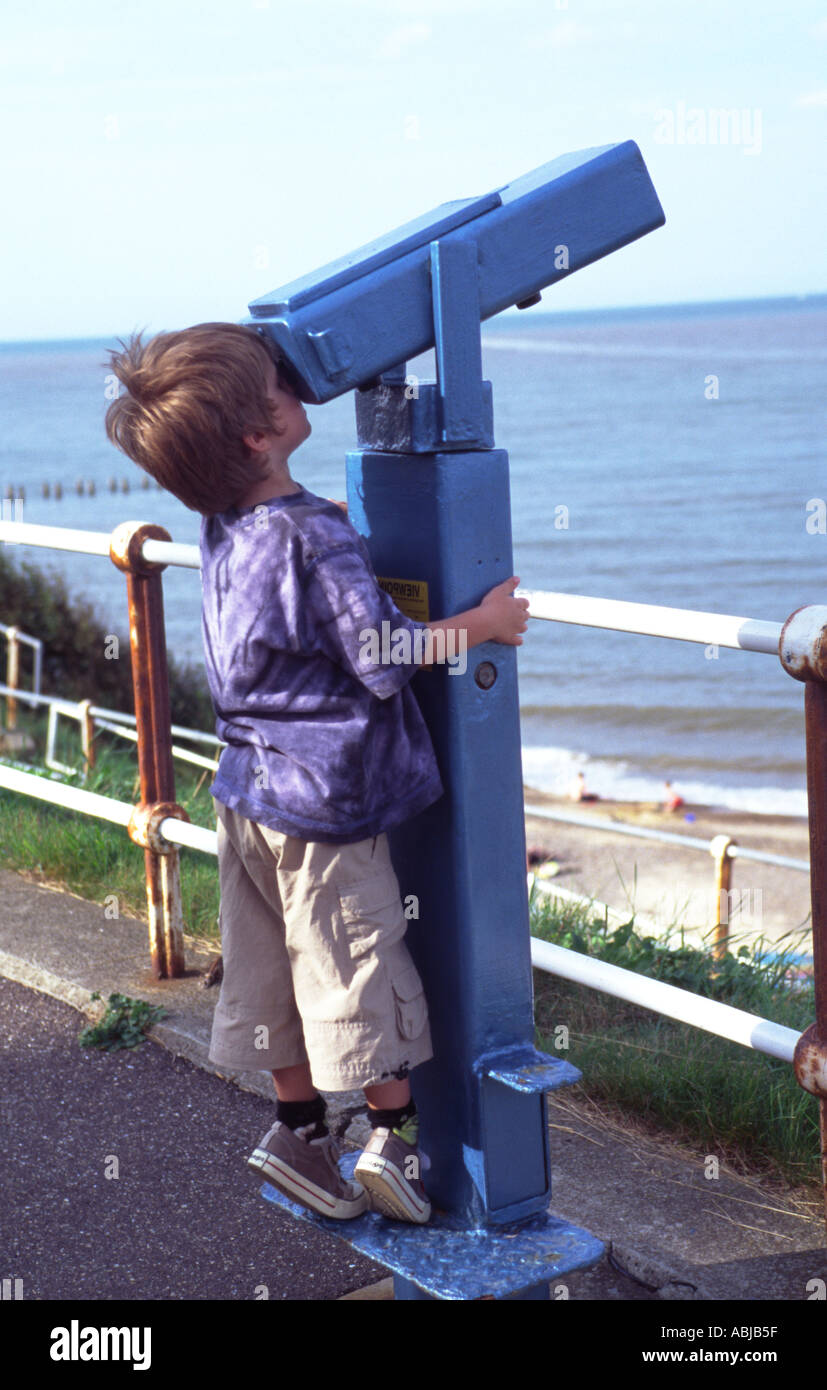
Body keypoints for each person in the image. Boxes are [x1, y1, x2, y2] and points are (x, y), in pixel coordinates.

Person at [104, 321, 529, 1225]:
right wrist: (481, 624)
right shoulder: (315, 537)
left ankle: (296, 1130)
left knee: (271, 966)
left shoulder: (226, 523)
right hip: (327, 805)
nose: (296, 387)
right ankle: (389, 1145)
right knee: (357, 966)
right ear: (259, 435)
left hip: (246, 792)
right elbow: (380, 655)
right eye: (276, 387)